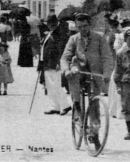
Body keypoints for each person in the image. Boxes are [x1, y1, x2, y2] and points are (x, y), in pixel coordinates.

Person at [60, 12, 113, 149]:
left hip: (95, 74)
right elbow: (65, 57)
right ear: (76, 27)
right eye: (79, 27)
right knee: (74, 74)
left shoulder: (100, 38)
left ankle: (94, 135)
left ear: (89, 25)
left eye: (85, 26)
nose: (82, 29)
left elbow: (107, 57)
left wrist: (107, 73)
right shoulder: (73, 39)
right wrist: (66, 70)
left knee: (94, 105)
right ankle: (76, 106)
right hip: (79, 71)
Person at [38, 14, 69, 115]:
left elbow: (61, 49)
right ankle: (55, 106)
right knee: (50, 86)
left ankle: (65, 106)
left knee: (57, 85)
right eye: (49, 22)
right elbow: (43, 48)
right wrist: (41, 63)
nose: (51, 24)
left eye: (52, 22)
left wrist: (59, 62)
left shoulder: (59, 34)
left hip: (54, 64)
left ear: (56, 22)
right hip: (46, 63)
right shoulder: (49, 34)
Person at [104, 13, 121, 118]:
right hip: (117, 61)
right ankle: (116, 109)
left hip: (112, 61)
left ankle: (113, 109)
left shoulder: (110, 35)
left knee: (113, 86)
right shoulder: (119, 33)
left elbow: (106, 49)